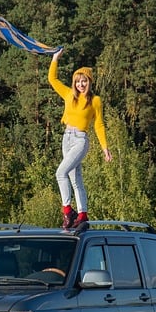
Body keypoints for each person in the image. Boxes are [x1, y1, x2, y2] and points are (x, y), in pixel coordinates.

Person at [48, 48, 112, 229]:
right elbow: (52, 79)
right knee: (75, 179)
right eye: (78, 81)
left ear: (89, 82)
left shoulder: (95, 101)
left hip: (80, 140)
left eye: (84, 81)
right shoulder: (69, 95)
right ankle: (82, 214)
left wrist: (105, 148)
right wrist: (55, 59)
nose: (81, 84)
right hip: (66, 138)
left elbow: (99, 125)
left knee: (60, 173)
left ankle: (68, 212)